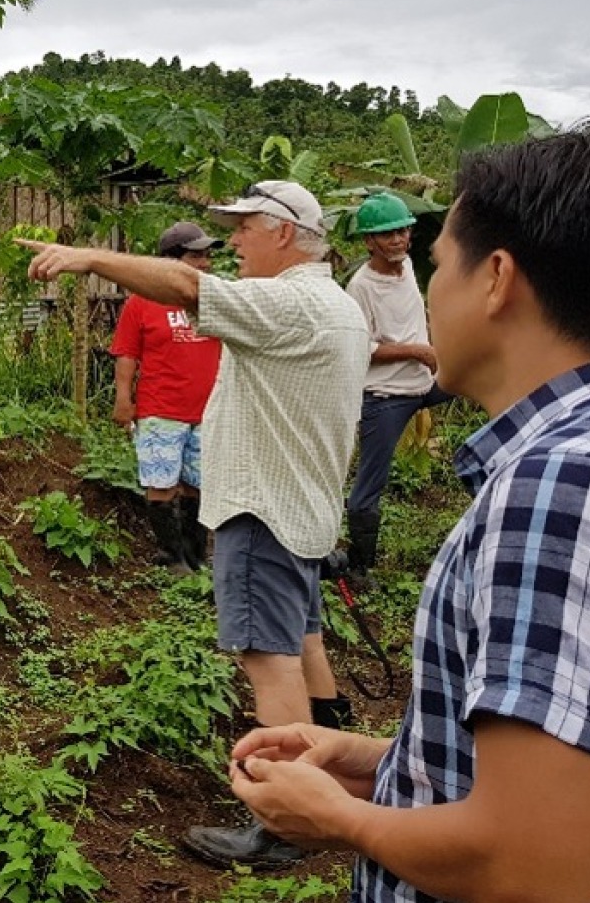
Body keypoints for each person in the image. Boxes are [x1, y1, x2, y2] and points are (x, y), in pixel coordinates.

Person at [221, 122, 590, 902]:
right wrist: (382, 761)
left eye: (439, 265)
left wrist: (341, 820)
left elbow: (530, 866)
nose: (431, 292)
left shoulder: (555, 486)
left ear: (496, 279)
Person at [21, 179, 366, 866]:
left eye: (242, 228)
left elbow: (181, 285)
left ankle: (288, 827)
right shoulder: (338, 304)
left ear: (283, 232)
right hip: (301, 508)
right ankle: (335, 772)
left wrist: (88, 258)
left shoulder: (289, 300)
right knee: (300, 640)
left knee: (266, 659)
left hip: (261, 509)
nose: (232, 242)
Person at [343, 192, 450, 579]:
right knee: (370, 484)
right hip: (387, 396)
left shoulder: (406, 269)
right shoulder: (361, 287)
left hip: (424, 383)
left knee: (483, 375)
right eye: (388, 234)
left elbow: (411, 315)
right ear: (369, 241)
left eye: (403, 231)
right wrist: (416, 351)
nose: (399, 240)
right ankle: (360, 565)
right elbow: (360, 347)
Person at [110, 221, 223, 572]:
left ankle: (195, 554)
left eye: (207, 255)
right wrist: (123, 400)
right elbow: (127, 354)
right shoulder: (142, 302)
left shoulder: (217, 297)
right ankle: (171, 556)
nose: (205, 263)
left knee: (197, 485)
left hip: (207, 410)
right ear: (171, 261)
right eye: (195, 256)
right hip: (161, 409)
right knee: (161, 483)